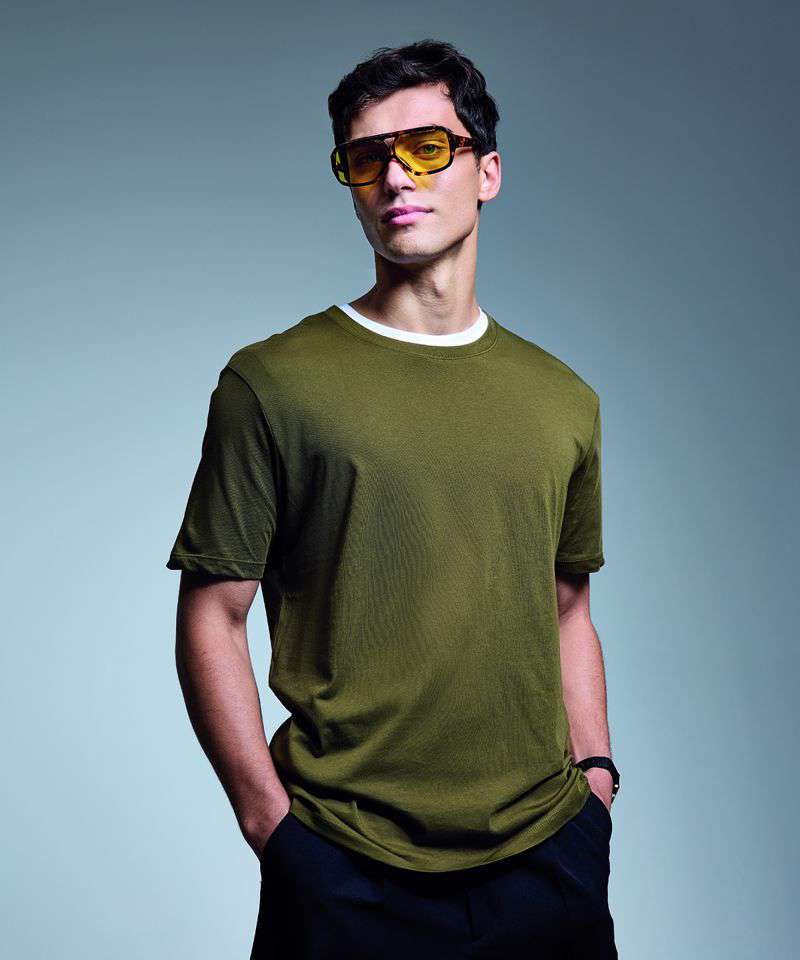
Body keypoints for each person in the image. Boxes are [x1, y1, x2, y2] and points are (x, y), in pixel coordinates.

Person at [166, 38, 620, 959]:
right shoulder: (273, 383)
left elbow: (568, 608)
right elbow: (213, 614)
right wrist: (271, 829)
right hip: (342, 867)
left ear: (487, 173)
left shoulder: (562, 399)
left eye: (426, 147)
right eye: (366, 157)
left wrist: (597, 785)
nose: (395, 177)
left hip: (547, 859)